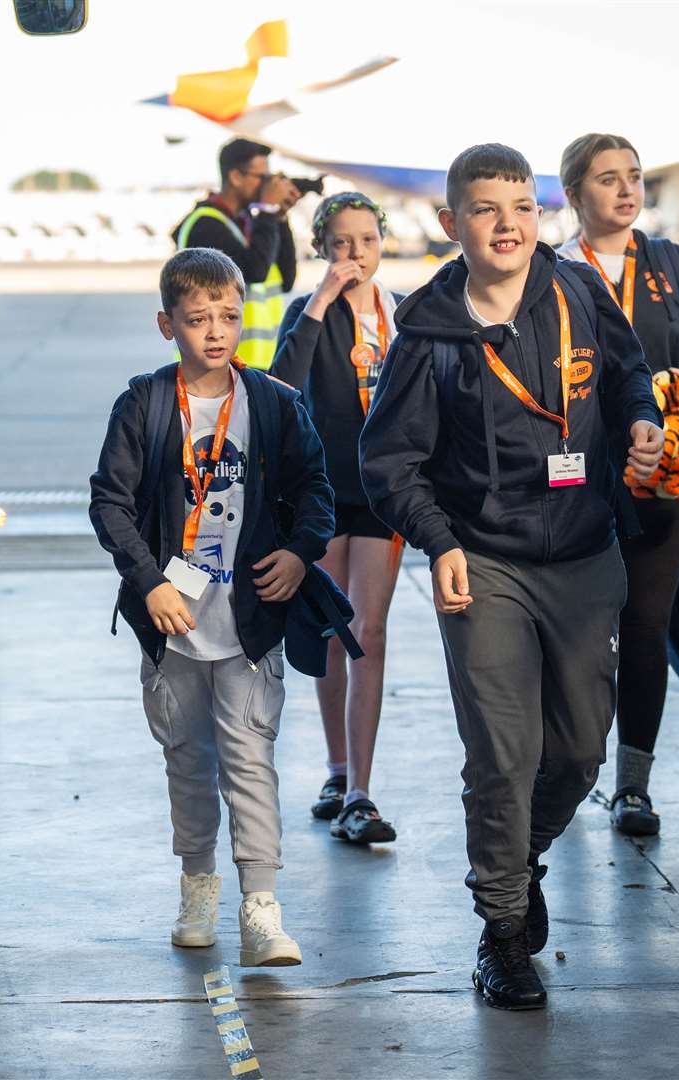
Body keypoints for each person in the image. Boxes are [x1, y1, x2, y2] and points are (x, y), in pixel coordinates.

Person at [360, 144, 663, 1010]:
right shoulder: (427, 331)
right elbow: (388, 461)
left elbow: (628, 375)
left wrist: (640, 422)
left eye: (522, 207)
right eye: (486, 209)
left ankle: (516, 859)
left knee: (576, 751)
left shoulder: (577, 293)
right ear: (452, 224)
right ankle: (500, 932)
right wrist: (438, 541)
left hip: (584, 553)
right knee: (504, 755)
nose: (508, 225)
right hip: (481, 563)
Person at [88, 247, 334, 967]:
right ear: (168, 324)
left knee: (251, 759)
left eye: (228, 317)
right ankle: (198, 885)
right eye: (197, 320)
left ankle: (262, 908)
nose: (216, 332)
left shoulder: (275, 405)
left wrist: (299, 553)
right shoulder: (145, 404)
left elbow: (315, 489)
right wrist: (150, 583)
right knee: (188, 761)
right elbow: (110, 501)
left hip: (248, 621)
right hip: (172, 625)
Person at [554, 133, 679, 835]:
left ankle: (633, 785)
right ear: (574, 194)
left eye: (633, 176)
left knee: (646, 627)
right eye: (607, 179)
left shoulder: (672, 264)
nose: (627, 190)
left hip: (666, 476)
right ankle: (564, 771)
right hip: (580, 481)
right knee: (574, 634)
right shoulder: (552, 272)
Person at [272, 192, 403, 844]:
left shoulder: (398, 315)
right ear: (323, 247)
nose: (356, 254)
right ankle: (336, 765)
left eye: (368, 241)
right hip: (321, 494)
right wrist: (322, 301)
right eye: (343, 243)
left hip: (379, 495)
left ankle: (362, 790)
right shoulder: (307, 313)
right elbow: (281, 386)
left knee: (369, 632)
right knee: (330, 632)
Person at [173, 138, 300, 370]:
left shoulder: (250, 224)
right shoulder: (206, 226)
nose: (266, 186)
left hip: (257, 363)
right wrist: (267, 212)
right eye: (261, 178)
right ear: (235, 177)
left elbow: (287, 278)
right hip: (217, 363)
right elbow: (255, 271)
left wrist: (279, 216)